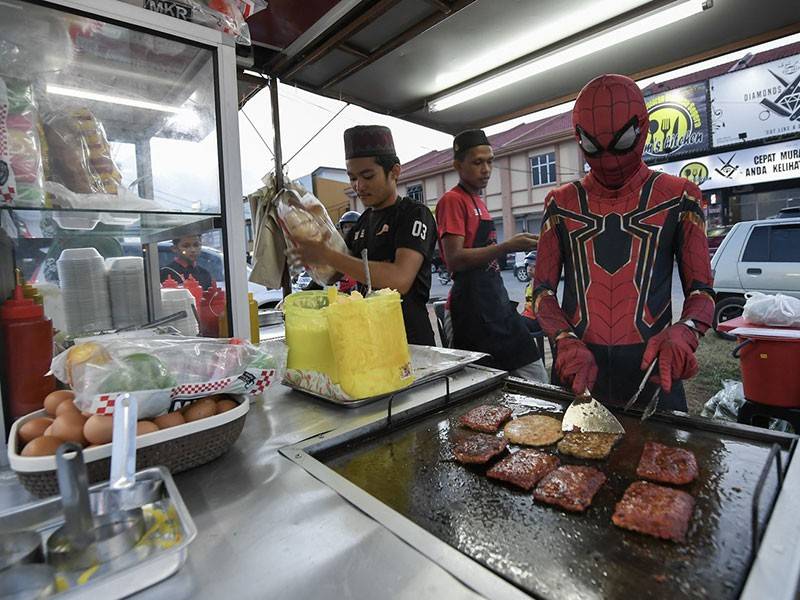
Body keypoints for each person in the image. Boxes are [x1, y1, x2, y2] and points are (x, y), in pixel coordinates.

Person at [532, 74, 715, 411]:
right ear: (579, 139)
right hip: (579, 372)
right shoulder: (559, 203)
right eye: (592, 147)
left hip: (652, 374)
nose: (608, 160)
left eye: (621, 142)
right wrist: (563, 339)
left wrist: (686, 332)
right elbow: (541, 291)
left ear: (642, 129)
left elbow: (702, 292)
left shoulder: (680, 197)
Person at [290, 125, 438, 346]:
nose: (359, 186)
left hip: (409, 341)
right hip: (369, 340)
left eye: (368, 176)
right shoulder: (362, 222)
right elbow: (333, 275)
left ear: (395, 172)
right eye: (352, 178)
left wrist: (329, 255)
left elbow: (400, 280)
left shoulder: (414, 214)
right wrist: (311, 244)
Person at [436, 129, 546, 381]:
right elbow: (454, 258)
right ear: (457, 165)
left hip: (495, 304)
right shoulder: (452, 200)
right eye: (477, 162)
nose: (486, 169)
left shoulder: (479, 202)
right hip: (471, 311)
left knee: (535, 375)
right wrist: (506, 247)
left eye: (489, 161)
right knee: (483, 387)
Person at [337, 211, 360, 294]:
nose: (348, 229)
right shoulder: (339, 245)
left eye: (351, 226)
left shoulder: (363, 245)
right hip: (340, 288)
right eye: (345, 226)